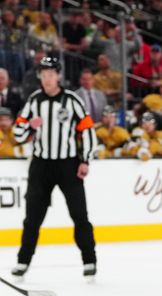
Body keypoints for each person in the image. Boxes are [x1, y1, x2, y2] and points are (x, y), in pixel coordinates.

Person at [11, 56, 99, 281]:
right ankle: (23, 260)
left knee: (79, 214)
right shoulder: (34, 100)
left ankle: (89, 260)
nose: (47, 79)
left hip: (68, 165)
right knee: (32, 218)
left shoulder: (72, 101)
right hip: (41, 165)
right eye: (43, 74)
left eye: (51, 74)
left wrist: (85, 160)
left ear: (58, 76)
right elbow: (18, 133)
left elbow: (87, 130)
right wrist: (29, 127)